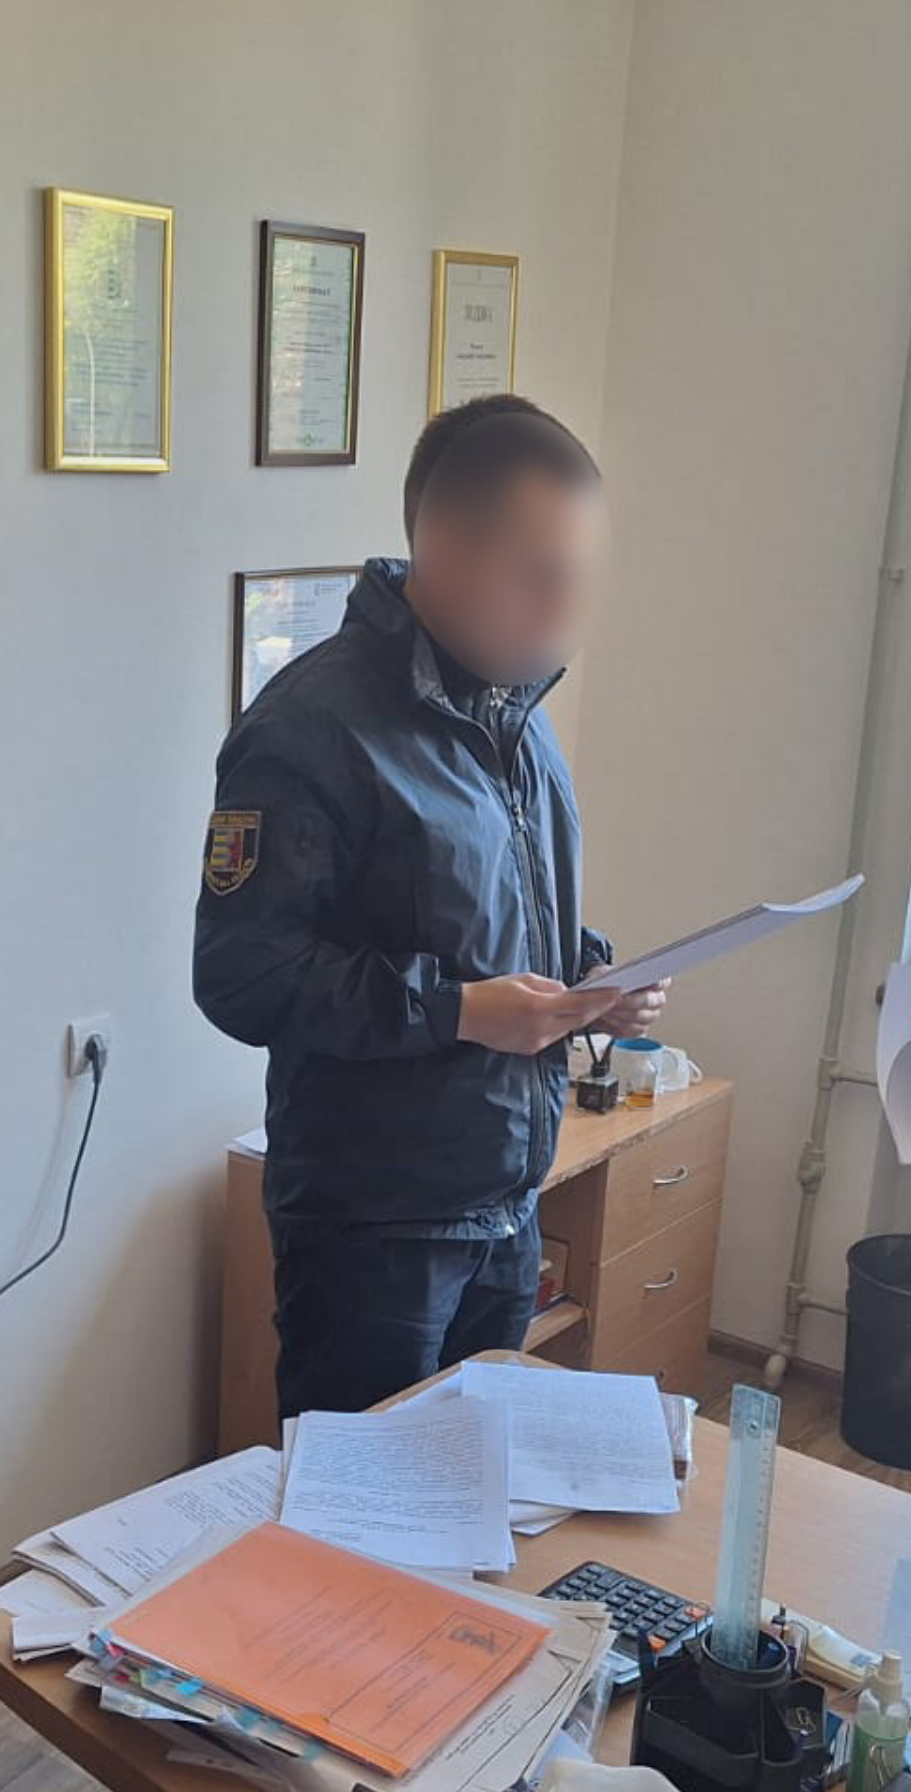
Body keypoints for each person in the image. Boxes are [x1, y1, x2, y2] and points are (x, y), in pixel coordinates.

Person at [193, 395, 666, 1418]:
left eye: (578, 579)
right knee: (360, 1507)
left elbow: (486, 913)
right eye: (539, 577)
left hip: (507, 1203)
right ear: (444, 552)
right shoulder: (311, 728)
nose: (564, 615)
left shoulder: (516, 711)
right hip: (374, 1234)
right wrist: (457, 1011)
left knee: (474, 1484)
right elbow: (241, 975)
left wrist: (591, 981)